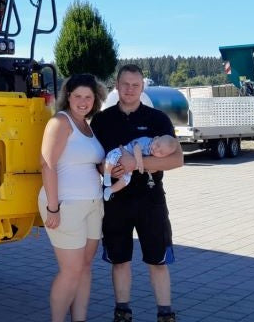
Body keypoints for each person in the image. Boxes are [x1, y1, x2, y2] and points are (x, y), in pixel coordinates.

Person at [91, 65, 184, 322]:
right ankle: (122, 312)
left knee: (157, 260)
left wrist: (137, 164)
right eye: (125, 84)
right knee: (120, 260)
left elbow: (177, 160)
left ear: (142, 87)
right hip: (116, 202)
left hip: (150, 200)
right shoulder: (102, 120)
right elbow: (95, 161)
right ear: (117, 86)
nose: (130, 90)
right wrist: (107, 168)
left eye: (135, 85)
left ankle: (165, 314)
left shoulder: (157, 119)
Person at [39, 74, 107, 322]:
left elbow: (92, 162)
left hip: (92, 205)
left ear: (95, 99)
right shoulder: (60, 122)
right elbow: (47, 165)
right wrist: (53, 208)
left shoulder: (87, 125)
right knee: (71, 271)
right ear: (68, 96)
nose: (82, 101)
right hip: (65, 206)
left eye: (88, 97)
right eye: (77, 95)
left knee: (85, 268)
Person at [102, 135, 180, 201]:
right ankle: (107, 174)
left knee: (126, 180)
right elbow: (136, 148)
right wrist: (139, 162)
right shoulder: (147, 141)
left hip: (128, 168)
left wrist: (150, 168)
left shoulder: (153, 153)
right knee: (112, 158)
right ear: (156, 138)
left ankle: (110, 190)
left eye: (161, 152)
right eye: (157, 145)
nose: (156, 150)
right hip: (122, 151)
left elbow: (152, 169)